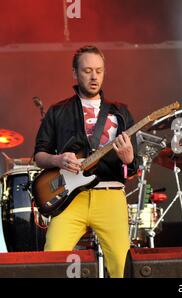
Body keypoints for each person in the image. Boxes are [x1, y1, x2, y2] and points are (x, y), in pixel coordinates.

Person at [34, 45, 139, 278]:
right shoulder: (58, 111)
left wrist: (129, 158)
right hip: (70, 199)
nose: (94, 77)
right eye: (88, 70)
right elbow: (39, 155)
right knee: (51, 262)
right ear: (75, 73)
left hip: (110, 194)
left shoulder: (120, 112)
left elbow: (134, 166)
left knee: (123, 267)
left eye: (99, 71)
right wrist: (58, 159)